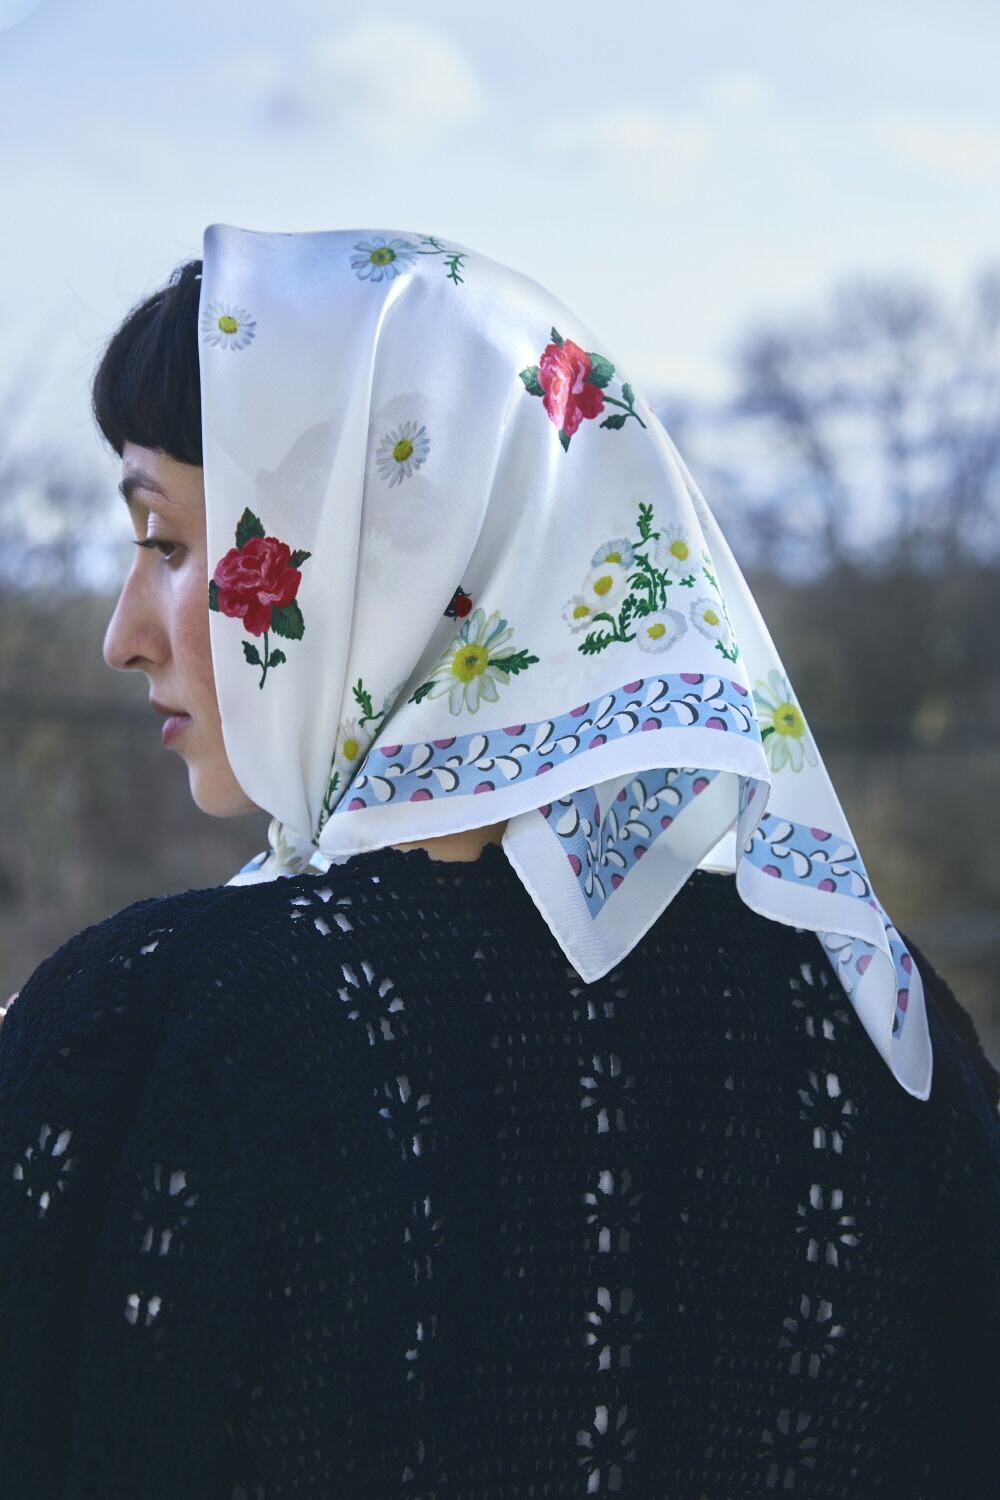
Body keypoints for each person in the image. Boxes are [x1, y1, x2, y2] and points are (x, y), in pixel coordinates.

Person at [0, 226, 997, 1499]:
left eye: (165, 540)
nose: (120, 637)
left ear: (371, 552)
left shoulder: (155, 1027)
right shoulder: (878, 1022)